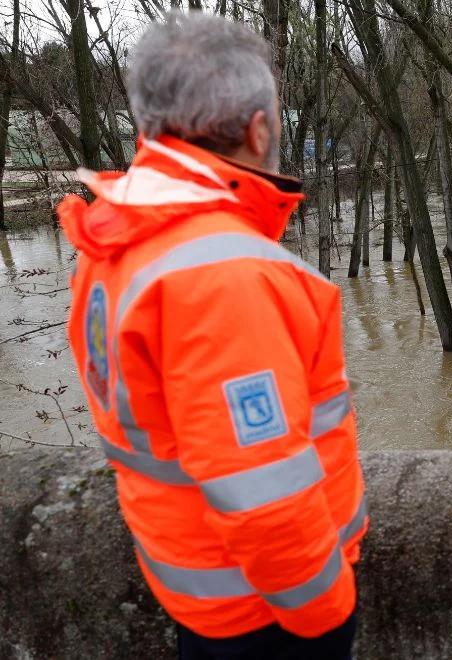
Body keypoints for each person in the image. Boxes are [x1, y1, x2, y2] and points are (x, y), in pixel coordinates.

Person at [57, 12, 366, 659]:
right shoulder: (226, 274)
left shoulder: (116, 241)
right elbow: (264, 492)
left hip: (197, 588)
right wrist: (328, 610)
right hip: (268, 616)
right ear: (259, 131)